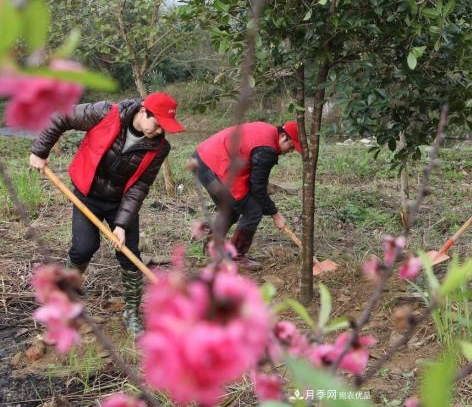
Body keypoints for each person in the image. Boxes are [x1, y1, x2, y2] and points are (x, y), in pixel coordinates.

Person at [29, 92, 184, 335]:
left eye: (165, 127)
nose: (159, 131)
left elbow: (139, 187)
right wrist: (40, 151)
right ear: (144, 112)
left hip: (121, 202)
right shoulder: (105, 113)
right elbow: (62, 116)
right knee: (83, 248)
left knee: (129, 255)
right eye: (157, 124)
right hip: (86, 194)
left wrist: (121, 225)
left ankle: (131, 313)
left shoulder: (160, 147)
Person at [193, 121, 302, 270]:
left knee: (231, 209)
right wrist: (275, 214)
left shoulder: (267, 131)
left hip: (202, 160)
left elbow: (255, 181)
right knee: (253, 210)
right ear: (283, 136)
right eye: (291, 147)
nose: (289, 151)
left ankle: (211, 247)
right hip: (216, 166)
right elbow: (258, 188)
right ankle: (235, 256)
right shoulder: (267, 150)